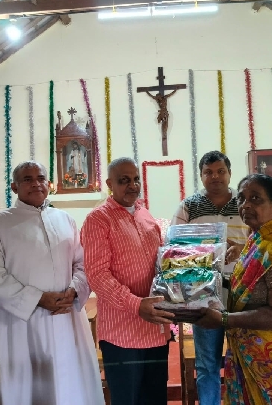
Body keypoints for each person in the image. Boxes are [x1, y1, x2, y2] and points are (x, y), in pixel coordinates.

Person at [0, 161, 103, 405]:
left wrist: (74, 291)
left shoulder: (65, 220)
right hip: (20, 322)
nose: (36, 183)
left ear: (49, 184)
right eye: (27, 179)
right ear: (14, 186)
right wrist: (37, 299)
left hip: (65, 319)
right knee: (25, 390)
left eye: (41, 178)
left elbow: (82, 263)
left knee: (68, 386)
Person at [195, 174, 272, 404]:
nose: (246, 205)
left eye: (256, 198)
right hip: (250, 356)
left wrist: (224, 319)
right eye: (241, 199)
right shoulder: (257, 239)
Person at [81, 157, 175, 405]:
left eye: (136, 179)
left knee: (155, 399)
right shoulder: (98, 220)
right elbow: (97, 275)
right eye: (124, 180)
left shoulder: (145, 215)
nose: (132, 185)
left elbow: (161, 264)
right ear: (110, 184)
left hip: (155, 330)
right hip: (122, 334)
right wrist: (136, 304)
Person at [171, 150, 249, 405]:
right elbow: (173, 248)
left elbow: (262, 240)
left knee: (246, 359)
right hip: (203, 292)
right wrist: (204, 252)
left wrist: (242, 247)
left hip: (243, 292)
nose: (215, 177)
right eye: (209, 172)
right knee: (207, 364)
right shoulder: (188, 207)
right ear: (201, 175)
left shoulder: (245, 203)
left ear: (230, 173)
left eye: (220, 171)